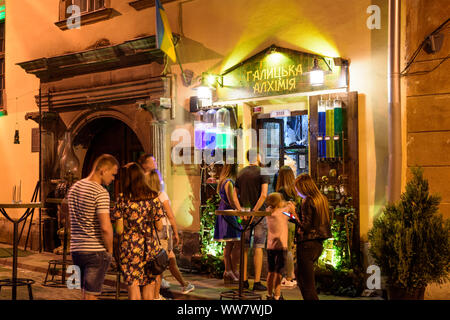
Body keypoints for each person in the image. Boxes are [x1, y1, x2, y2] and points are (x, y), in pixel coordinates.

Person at [68, 154, 119, 300]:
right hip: (94, 251)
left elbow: (68, 218)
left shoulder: (75, 188)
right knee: (91, 295)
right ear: (103, 170)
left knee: (85, 293)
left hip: (76, 249)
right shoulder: (100, 192)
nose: (113, 178)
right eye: (113, 174)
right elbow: (105, 227)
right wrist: (110, 251)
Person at [112, 162, 165, 300]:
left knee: (133, 286)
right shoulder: (153, 197)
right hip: (149, 247)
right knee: (149, 285)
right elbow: (159, 227)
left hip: (129, 248)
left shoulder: (122, 199)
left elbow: (119, 230)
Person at [147, 170, 195, 299]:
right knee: (161, 262)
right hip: (163, 229)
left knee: (168, 259)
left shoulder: (147, 196)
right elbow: (170, 215)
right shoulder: (161, 195)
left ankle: (183, 284)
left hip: (153, 231)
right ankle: (156, 296)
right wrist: (175, 231)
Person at [234, 149, 269, 291]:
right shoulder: (263, 172)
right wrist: (255, 211)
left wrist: (241, 210)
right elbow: (264, 195)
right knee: (259, 247)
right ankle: (256, 282)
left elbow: (234, 194)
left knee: (245, 247)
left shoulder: (241, 173)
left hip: (245, 213)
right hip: (259, 214)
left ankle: (243, 280)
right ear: (258, 157)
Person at [294, 173, 332, 300]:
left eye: (297, 187)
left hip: (306, 244)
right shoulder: (322, 199)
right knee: (301, 275)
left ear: (303, 187)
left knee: (307, 284)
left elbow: (305, 226)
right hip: (317, 244)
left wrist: (293, 215)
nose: (296, 190)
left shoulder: (307, 200)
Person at [265, 192, 298, 300]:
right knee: (279, 273)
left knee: (270, 272)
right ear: (279, 202)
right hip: (281, 247)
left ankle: (269, 294)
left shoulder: (268, 212)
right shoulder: (284, 212)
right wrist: (290, 204)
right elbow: (293, 215)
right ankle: (277, 296)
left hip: (270, 246)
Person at [214, 163, 242, 283]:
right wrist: (239, 210)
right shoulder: (229, 182)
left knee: (229, 244)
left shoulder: (222, 181)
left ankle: (228, 270)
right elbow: (232, 200)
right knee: (236, 242)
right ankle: (233, 269)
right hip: (229, 213)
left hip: (223, 212)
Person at [275, 166, 300, 287]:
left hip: (285, 223)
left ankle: (290, 276)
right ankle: (291, 275)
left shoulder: (281, 191)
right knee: (291, 249)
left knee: (286, 250)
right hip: (293, 223)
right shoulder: (294, 191)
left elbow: (282, 210)